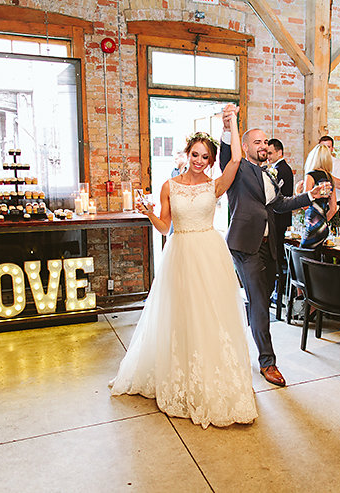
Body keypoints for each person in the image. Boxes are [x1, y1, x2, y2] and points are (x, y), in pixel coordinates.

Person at [110, 104, 258, 429]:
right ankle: (182, 377)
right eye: (195, 154)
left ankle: (212, 378)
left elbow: (236, 159)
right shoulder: (169, 186)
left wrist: (232, 122)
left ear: (210, 160)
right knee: (181, 316)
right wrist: (148, 212)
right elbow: (165, 228)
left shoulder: (215, 185)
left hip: (208, 252)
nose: (200, 161)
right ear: (186, 153)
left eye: (206, 157)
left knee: (211, 315)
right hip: (179, 253)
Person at [219, 121, 330, 388]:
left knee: (262, 298)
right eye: (257, 142)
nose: (264, 146)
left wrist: (310, 195)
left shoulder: (268, 174)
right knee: (259, 301)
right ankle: (268, 362)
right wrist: (227, 128)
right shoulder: (238, 168)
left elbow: (280, 204)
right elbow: (225, 154)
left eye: (265, 142)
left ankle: (232, 337)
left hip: (269, 246)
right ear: (244, 147)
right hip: (246, 245)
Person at [266, 138, 294, 308]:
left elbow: (278, 198)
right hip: (277, 219)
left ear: (279, 153)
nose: (267, 156)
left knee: (276, 256)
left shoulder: (282, 170)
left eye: (270, 153)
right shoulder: (277, 168)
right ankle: (276, 291)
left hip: (279, 219)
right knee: (275, 256)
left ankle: (278, 291)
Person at [301, 144, 338, 249]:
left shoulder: (310, 176)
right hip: (323, 228)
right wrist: (323, 222)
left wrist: (297, 191)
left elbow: (305, 205)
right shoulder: (330, 178)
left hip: (312, 225)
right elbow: (333, 208)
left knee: (300, 257)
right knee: (316, 259)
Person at [319, 136, 340, 224]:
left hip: (337, 206)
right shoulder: (314, 164)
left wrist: (325, 173)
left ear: (332, 149)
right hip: (321, 206)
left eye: (328, 147)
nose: (325, 150)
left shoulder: (339, 162)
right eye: (322, 147)